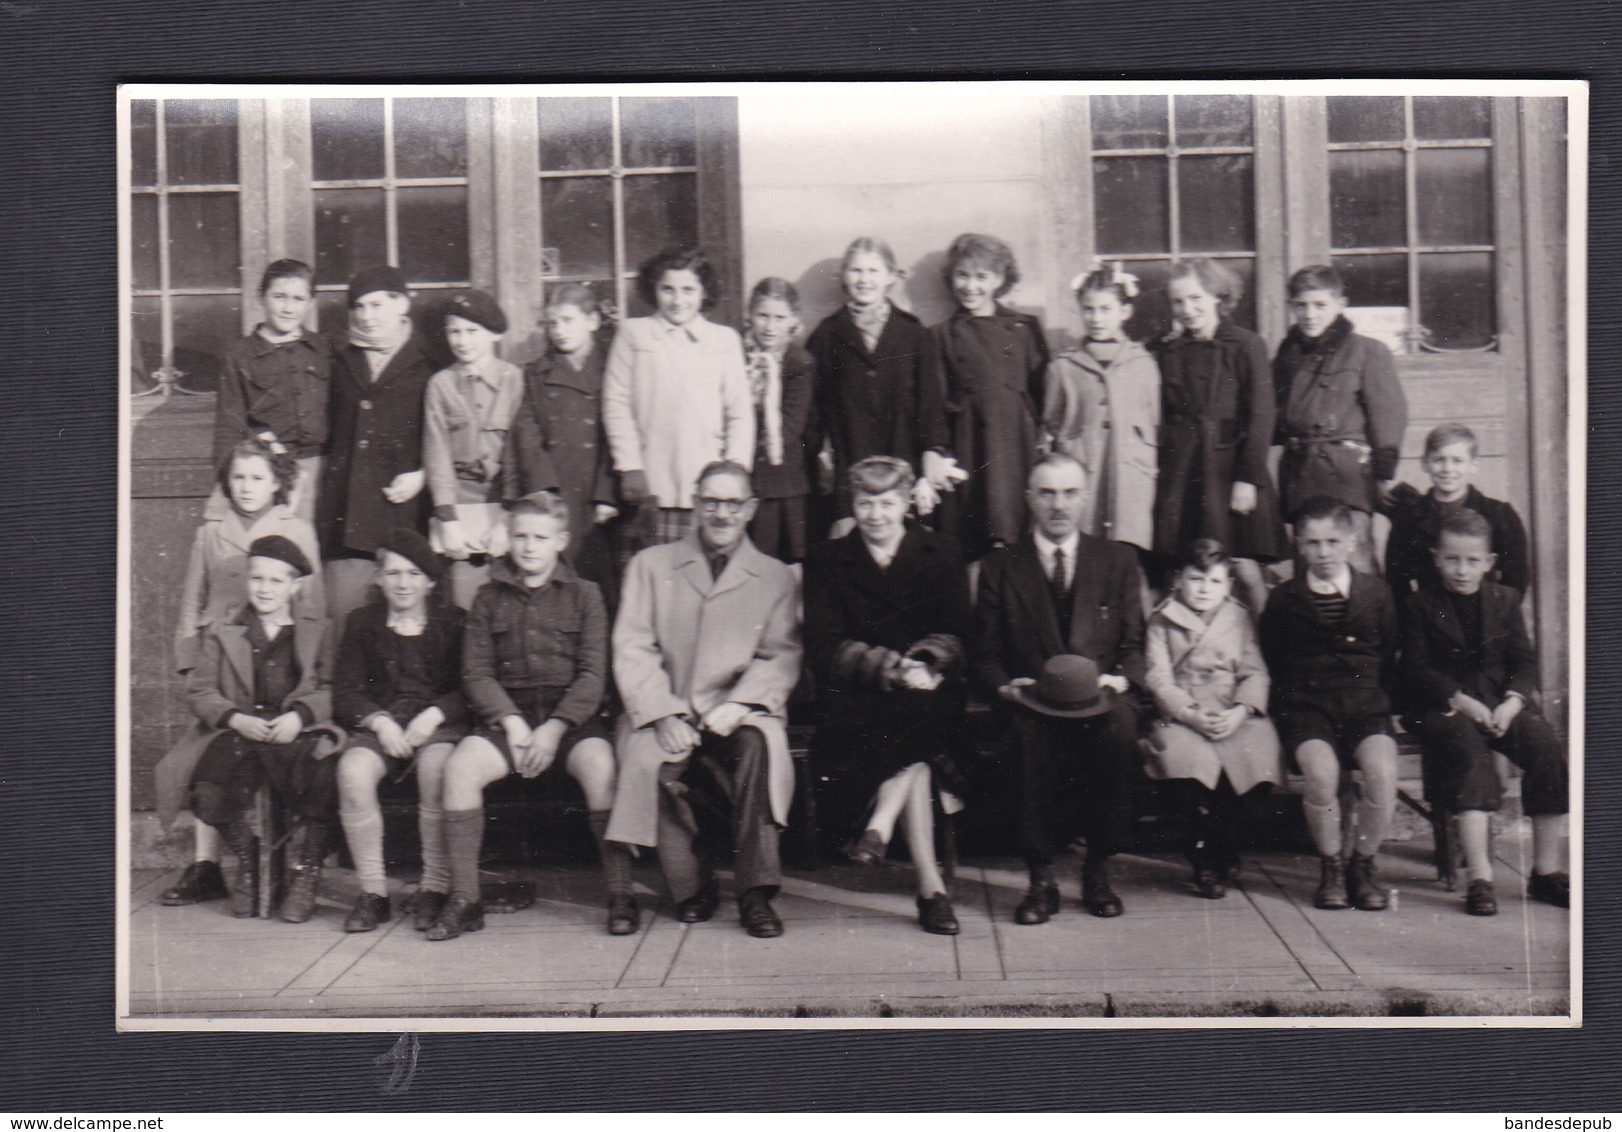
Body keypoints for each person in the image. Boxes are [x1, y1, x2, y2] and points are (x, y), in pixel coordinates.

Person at [605, 461, 802, 939]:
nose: (721, 513)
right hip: (664, 706)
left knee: (757, 747)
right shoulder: (650, 566)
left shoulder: (775, 577)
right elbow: (632, 647)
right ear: (695, 503)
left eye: (732, 503)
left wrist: (740, 705)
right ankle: (693, 887)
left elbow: (780, 655)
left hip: (738, 711)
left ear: (750, 509)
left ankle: (755, 894)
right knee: (653, 758)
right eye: (711, 501)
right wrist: (664, 711)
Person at [428, 492, 629, 940]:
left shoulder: (586, 596)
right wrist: (512, 722)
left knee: (601, 766)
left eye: (540, 537)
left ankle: (620, 894)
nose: (529, 546)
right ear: (508, 539)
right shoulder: (487, 598)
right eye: (520, 536)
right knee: (460, 769)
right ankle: (465, 898)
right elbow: (475, 673)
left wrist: (556, 729)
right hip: (508, 715)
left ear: (561, 540)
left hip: (570, 717)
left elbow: (593, 674)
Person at [972, 453, 1147, 923]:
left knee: (1120, 730)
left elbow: (1135, 645)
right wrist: (1007, 688)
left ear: (1085, 497)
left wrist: (1120, 679)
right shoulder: (1000, 566)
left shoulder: (1117, 559)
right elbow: (984, 656)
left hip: (1102, 696)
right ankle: (1041, 877)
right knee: (1026, 737)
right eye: (1047, 493)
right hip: (1032, 699)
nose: (1059, 504)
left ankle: (1098, 870)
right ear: (1029, 498)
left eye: (1070, 493)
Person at [803, 456, 972, 935]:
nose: (876, 514)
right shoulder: (827, 559)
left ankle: (881, 824)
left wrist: (930, 663)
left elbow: (959, 630)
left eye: (887, 502)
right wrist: (895, 669)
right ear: (853, 504)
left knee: (920, 716)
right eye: (865, 502)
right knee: (913, 739)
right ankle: (930, 888)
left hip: (932, 687)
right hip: (860, 694)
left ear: (906, 504)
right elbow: (825, 645)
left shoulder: (942, 552)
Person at [159, 439, 324, 908]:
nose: (247, 487)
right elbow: (193, 601)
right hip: (223, 667)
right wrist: (190, 661)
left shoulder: (298, 530)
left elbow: (312, 610)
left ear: (277, 482)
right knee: (204, 763)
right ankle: (208, 865)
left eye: (257, 478)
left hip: (277, 665)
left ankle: (286, 862)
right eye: (238, 477)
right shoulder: (211, 532)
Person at [152, 536, 339, 922]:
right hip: (242, 729)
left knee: (324, 777)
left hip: (296, 731)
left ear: (295, 585)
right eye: (258, 579)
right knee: (207, 788)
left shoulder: (318, 629)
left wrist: (300, 716)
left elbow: (332, 686)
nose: (265, 589)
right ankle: (250, 857)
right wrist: (235, 718)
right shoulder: (226, 628)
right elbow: (201, 689)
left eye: (276, 581)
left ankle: (307, 872)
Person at [1400, 509, 1568, 915]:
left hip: (1498, 703)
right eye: (1452, 559)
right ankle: (1480, 878)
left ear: (1489, 562)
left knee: (1546, 750)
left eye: (1473, 560)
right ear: (1437, 557)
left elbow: (1523, 661)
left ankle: (1545, 872)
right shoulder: (1420, 604)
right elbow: (1416, 668)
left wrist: (1512, 703)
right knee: (1472, 758)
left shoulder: (1505, 600)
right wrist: (1460, 700)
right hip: (1440, 705)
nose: (1462, 570)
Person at [1259, 498, 1400, 912]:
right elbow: (1274, 657)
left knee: (1382, 772)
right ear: (1299, 546)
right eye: (1312, 543)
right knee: (1321, 775)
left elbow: (1389, 651)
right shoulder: (1285, 599)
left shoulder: (1376, 593)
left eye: (1332, 542)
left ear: (1352, 542)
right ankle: (1331, 866)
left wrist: (1376, 698)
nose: (1323, 553)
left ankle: (1363, 864)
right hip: (1307, 706)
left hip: (1365, 704)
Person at [331, 529, 468, 933]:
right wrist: (379, 721)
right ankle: (373, 893)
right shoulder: (362, 623)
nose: (403, 583)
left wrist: (435, 715)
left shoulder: (453, 621)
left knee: (437, 769)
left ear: (430, 581)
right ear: (378, 578)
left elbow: (469, 687)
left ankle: (434, 886)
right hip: (384, 723)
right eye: (392, 573)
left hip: (438, 727)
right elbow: (346, 692)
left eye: (413, 573)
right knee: (353, 771)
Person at [1143, 538, 1282, 899]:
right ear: (1178, 580)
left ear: (1229, 585)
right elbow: (1158, 677)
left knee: (1258, 762)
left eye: (1215, 581)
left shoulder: (1238, 616)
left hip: (1232, 709)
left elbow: (1255, 671)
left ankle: (1224, 846)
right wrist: (1188, 713)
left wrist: (1242, 709)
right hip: (1184, 713)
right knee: (1184, 770)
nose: (1205, 590)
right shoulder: (1162, 619)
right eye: (1196, 579)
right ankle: (1203, 852)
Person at [601, 247, 753, 548]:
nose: (678, 300)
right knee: (657, 573)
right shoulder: (634, 334)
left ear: (703, 292)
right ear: (653, 289)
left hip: (710, 489)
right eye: (667, 289)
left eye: (688, 290)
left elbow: (739, 411)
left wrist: (734, 472)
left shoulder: (724, 340)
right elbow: (616, 403)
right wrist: (630, 465)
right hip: (653, 483)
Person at [320, 265, 444, 626]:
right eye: (358, 307)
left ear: (402, 304)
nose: (367, 316)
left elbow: (444, 433)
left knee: (405, 615)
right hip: (347, 512)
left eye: (376, 305)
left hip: (404, 507)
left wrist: (424, 475)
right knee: (346, 612)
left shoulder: (430, 362)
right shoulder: (341, 360)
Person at [807, 236, 963, 524]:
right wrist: (819, 460)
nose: (864, 280)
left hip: (904, 462)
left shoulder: (914, 335)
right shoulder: (826, 336)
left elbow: (931, 406)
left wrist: (933, 451)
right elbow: (813, 413)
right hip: (848, 469)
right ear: (843, 276)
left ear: (890, 276)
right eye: (856, 271)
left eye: (873, 271)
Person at [1273, 264, 1407, 574]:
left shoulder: (1367, 351)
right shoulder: (1284, 359)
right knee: (1309, 563)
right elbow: (1275, 418)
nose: (1310, 314)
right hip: (1302, 475)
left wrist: (1383, 472)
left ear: (1340, 305)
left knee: (1355, 556)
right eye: (1301, 305)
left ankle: (1372, 621)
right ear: (1291, 307)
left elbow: (1388, 414)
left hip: (1346, 475)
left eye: (1320, 305)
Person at [1152, 258, 1285, 570]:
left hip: (1228, 469)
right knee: (1182, 566)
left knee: (1243, 567)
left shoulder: (1246, 345)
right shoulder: (1165, 350)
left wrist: (1247, 479)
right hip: (1181, 472)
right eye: (1178, 301)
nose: (1187, 309)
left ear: (1218, 296)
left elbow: (1262, 414)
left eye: (1195, 298)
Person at [504, 282, 621, 607]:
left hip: (602, 499)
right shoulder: (536, 375)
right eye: (552, 323)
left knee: (601, 585)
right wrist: (543, 489)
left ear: (593, 321)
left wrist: (607, 493)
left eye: (568, 321)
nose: (559, 331)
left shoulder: (614, 368)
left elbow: (619, 432)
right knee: (558, 584)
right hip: (557, 492)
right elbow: (527, 434)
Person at [934, 233, 1049, 557]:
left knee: (1016, 528)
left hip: (1015, 443)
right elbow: (936, 401)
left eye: (981, 277)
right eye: (963, 275)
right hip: (968, 442)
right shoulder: (941, 335)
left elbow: (1042, 391)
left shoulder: (1024, 327)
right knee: (970, 533)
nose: (971, 286)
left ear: (999, 279)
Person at [1043, 260, 1161, 554]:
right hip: (1082, 470)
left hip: (1131, 475)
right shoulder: (1064, 366)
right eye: (1089, 309)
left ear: (1125, 312)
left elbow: (1154, 419)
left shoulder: (1143, 363)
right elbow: (1050, 424)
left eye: (1105, 309)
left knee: (1126, 553)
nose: (1096, 318)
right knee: (1085, 550)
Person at [422, 289, 525, 609]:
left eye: (471, 332)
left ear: (494, 335)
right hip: (460, 511)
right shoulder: (440, 384)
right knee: (464, 604)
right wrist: (447, 521)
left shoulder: (515, 380)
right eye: (454, 331)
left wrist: (508, 519)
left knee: (509, 604)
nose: (462, 341)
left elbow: (520, 454)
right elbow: (436, 455)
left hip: (507, 510)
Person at [212, 258, 332, 522]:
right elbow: (229, 425)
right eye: (279, 297)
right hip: (267, 471)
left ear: (311, 303)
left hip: (321, 471)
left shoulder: (324, 349)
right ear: (261, 297)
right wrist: (229, 485)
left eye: (298, 299)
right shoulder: (240, 355)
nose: (288, 308)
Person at [1386, 423, 1531, 600]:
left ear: (1473, 465)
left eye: (1457, 461)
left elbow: (1516, 578)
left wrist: (1496, 615)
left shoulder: (1499, 515)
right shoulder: (1408, 518)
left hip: (1484, 616)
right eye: (1439, 460)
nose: (1448, 469)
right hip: (1428, 619)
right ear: (1425, 463)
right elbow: (1396, 581)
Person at [741, 277, 816, 563]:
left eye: (780, 318)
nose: (770, 327)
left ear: (793, 321)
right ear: (749, 314)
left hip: (783, 482)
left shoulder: (799, 362)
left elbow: (791, 427)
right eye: (762, 316)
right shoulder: (736, 354)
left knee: (782, 564)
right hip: (744, 476)